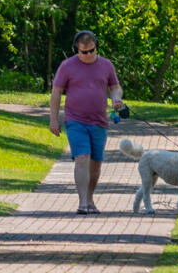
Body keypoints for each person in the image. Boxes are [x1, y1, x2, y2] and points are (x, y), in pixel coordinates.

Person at [47, 31, 124, 213]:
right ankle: (82, 203)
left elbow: (115, 87)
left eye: (91, 51)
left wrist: (116, 99)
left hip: (99, 121)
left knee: (95, 163)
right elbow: (56, 92)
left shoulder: (106, 65)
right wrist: (54, 120)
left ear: (96, 47)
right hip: (75, 120)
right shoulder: (67, 66)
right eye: (84, 52)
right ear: (77, 49)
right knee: (82, 158)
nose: (88, 55)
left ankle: (90, 199)